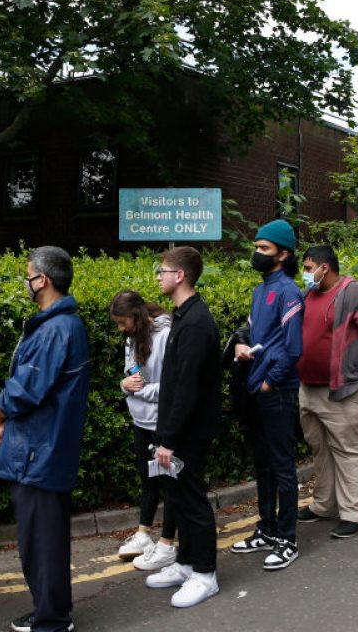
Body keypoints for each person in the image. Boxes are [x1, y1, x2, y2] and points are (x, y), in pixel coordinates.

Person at [0, 247, 90, 632]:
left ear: (42, 280)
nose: (26, 281)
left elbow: (25, 390)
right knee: (45, 540)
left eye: (28, 274)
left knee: (42, 543)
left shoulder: (54, 328)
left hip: (38, 451)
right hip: (45, 446)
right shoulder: (66, 325)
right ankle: (52, 612)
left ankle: (51, 619)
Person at [143, 246, 223, 608]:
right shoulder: (183, 316)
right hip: (178, 430)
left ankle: (205, 574)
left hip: (189, 432)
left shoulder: (195, 323)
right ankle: (186, 563)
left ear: (180, 276)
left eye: (162, 271)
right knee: (177, 496)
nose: (158, 276)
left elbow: (188, 388)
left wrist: (169, 439)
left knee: (192, 501)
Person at [295, 245, 358, 537]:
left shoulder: (355, 293)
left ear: (325, 267)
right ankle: (325, 505)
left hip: (343, 390)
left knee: (348, 452)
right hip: (308, 388)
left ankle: (353, 515)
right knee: (320, 450)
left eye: (309, 268)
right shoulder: (310, 294)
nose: (305, 274)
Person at [230, 219, 304, 571]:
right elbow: (251, 330)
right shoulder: (261, 291)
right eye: (256, 246)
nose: (256, 253)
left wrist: (269, 383)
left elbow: (293, 349)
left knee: (282, 465)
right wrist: (242, 346)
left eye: (264, 248)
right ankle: (266, 529)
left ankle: (287, 538)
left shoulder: (289, 291)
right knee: (262, 463)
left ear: (282, 254)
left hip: (275, 391)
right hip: (256, 387)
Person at [107, 290, 178, 569]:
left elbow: (173, 386)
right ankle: (143, 535)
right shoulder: (133, 336)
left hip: (162, 421)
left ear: (137, 316)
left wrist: (143, 390)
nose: (121, 328)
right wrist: (124, 385)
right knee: (147, 479)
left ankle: (167, 543)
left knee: (168, 483)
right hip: (140, 420)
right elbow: (130, 372)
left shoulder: (165, 335)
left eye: (123, 322)